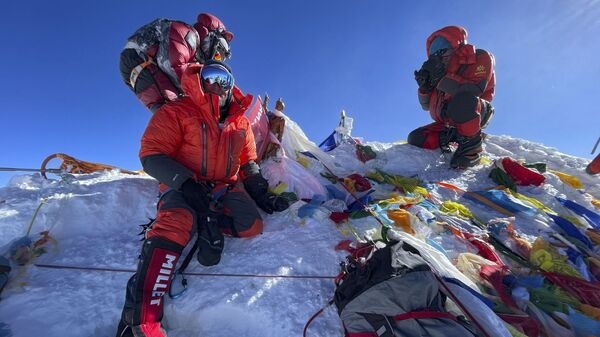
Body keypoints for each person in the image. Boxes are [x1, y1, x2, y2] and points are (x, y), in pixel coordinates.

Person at [115, 62, 290, 337]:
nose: (217, 84)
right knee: (175, 224)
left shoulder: (240, 122)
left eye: (224, 78)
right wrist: (185, 184)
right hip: (183, 183)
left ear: (231, 83)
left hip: (221, 186)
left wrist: (261, 193)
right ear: (199, 79)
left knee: (251, 225)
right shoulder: (177, 110)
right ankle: (141, 319)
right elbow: (151, 154)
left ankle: (204, 221)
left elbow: (249, 164)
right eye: (211, 77)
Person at [408, 26, 496, 169]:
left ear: (456, 45)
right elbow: (425, 106)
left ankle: (472, 147)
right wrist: (425, 88)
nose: (437, 54)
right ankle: (456, 134)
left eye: (442, 48)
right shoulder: (437, 69)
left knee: (463, 101)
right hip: (448, 120)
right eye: (433, 51)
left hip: (477, 111)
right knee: (416, 137)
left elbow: (474, 90)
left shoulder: (479, 57)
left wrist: (441, 78)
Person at [119, 13, 234, 112]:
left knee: (177, 105)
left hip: (140, 65)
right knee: (172, 108)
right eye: (218, 55)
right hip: (138, 57)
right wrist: (202, 96)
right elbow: (173, 65)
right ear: (211, 39)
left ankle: (180, 133)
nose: (215, 59)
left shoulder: (194, 56)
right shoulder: (187, 35)